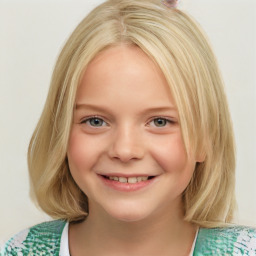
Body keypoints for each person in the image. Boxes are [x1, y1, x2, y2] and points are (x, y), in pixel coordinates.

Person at [1, 0, 256, 255]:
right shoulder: (21, 250)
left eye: (159, 122)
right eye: (96, 121)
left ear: (205, 137)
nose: (124, 150)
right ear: (61, 134)